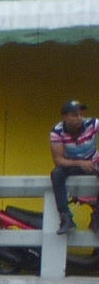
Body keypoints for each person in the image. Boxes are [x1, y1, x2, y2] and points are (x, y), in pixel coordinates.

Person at [49, 100, 99, 236]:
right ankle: (66, 218)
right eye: (75, 115)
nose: (79, 118)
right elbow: (59, 160)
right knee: (56, 174)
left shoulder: (93, 124)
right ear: (65, 117)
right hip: (73, 164)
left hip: (94, 161)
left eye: (81, 115)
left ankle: (97, 218)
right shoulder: (57, 132)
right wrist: (80, 163)